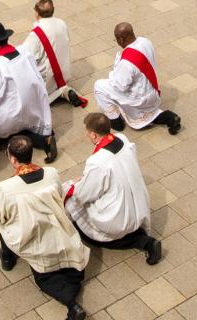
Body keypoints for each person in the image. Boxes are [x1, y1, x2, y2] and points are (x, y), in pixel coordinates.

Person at [0, 135, 89, 320]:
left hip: (31, 236)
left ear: (12, 159)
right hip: (57, 228)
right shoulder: (51, 173)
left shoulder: (6, 188)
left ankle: (8, 257)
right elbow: (58, 196)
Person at [63, 113, 161, 265]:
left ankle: (143, 242)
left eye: (87, 132)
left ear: (94, 135)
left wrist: (77, 184)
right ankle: (137, 234)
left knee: (71, 198)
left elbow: (83, 194)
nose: (86, 135)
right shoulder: (122, 139)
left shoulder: (97, 161)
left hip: (117, 217)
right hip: (138, 205)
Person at [0, 21, 58, 162]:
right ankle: (44, 140)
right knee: (23, 126)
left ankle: (4, 141)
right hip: (34, 108)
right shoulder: (24, 52)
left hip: (13, 115)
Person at [94, 23, 181, 135]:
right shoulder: (145, 41)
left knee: (99, 85)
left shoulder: (126, 62)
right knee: (146, 114)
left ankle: (115, 121)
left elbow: (119, 86)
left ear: (121, 39)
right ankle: (169, 117)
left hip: (140, 100)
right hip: (153, 93)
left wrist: (114, 71)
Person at [20, 0, 87, 107]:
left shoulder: (36, 33)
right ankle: (64, 91)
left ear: (36, 13)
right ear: (53, 9)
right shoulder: (62, 23)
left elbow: (26, 55)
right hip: (64, 72)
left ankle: (52, 95)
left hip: (48, 78)